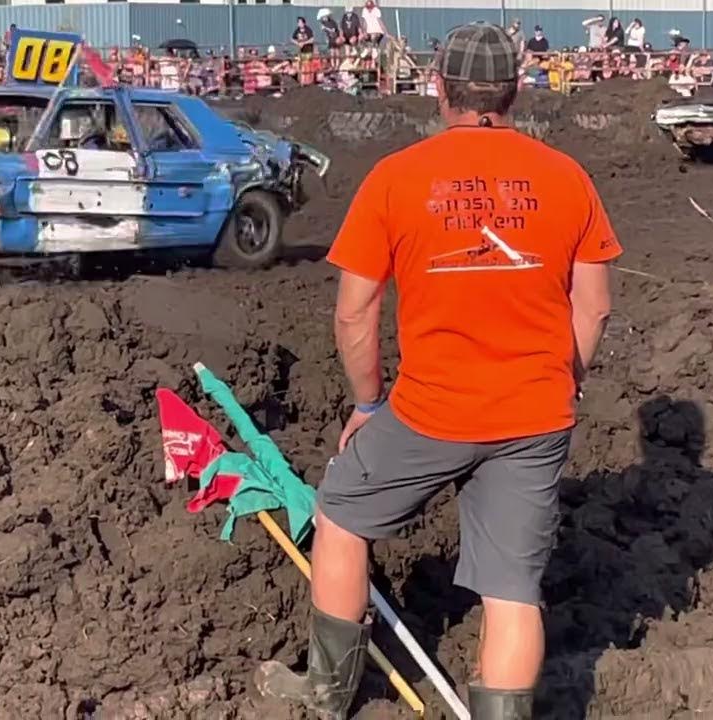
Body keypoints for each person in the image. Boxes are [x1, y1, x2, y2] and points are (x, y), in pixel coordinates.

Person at [254, 20, 620, 720]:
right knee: (513, 591)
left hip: (432, 411)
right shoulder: (568, 178)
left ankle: (329, 695)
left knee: (340, 515)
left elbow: (354, 314)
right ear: (515, 91)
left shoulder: (397, 178)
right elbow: (594, 307)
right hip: (536, 415)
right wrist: (562, 378)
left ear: (439, 88)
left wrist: (366, 404)